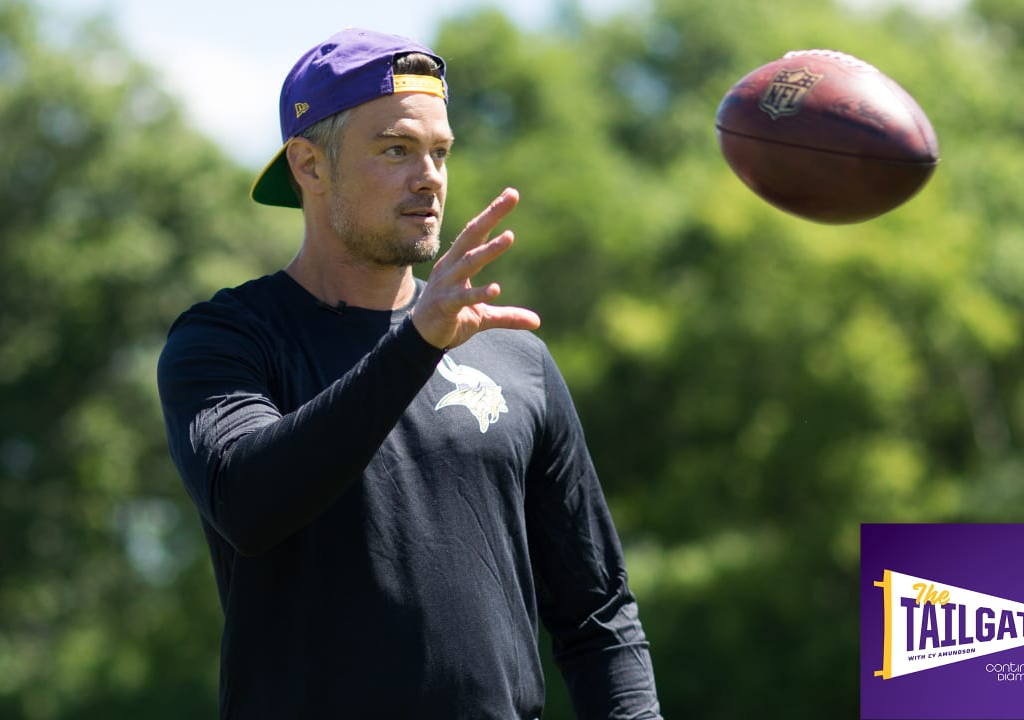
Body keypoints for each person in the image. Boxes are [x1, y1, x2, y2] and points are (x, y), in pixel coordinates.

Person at [157, 28, 662, 719]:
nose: (429, 176)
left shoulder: (512, 355)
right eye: (396, 149)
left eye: (440, 152)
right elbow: (248, 503)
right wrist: (416, 345)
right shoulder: (229, 339)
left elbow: (598, 613)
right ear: (309, 166)